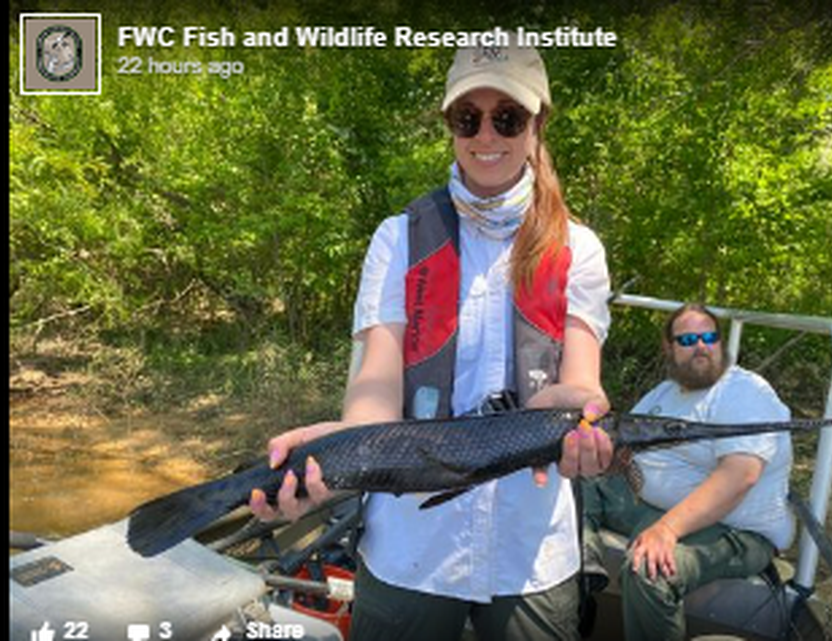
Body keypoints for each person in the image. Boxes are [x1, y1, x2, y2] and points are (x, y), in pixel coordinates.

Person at [250, 43, 614, 641]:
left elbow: (581, 381)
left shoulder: (581, 248)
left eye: (508, 117)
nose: (486, 135)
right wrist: (339, 454)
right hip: (408, 546)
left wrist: (580, 415)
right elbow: (374, 390)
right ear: (450, 126)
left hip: (532, 550)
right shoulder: (398, 240)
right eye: (467, 118)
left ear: (536, 124)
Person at [582, 303, 795, 641]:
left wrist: (666, 530)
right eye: (688, 339)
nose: (701, 346)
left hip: (734, 530)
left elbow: (740, 477)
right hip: (649, 507)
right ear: (669, 348)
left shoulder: (744, 392)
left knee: (649, 569)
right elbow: (625, 449)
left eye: (710, 337)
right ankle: (584, 571)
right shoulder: (665, 392)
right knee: (570, 489)